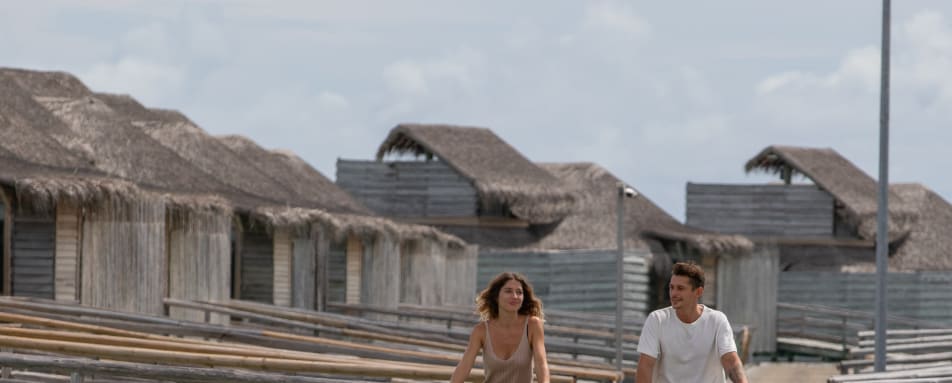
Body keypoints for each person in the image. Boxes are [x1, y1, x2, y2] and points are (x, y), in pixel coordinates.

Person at [636, 262, 748, 383]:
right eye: (671, 287)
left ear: (698, 292)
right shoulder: (657, 320)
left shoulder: (717, 320)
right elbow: (645, 365)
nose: (673, 294)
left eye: (680, 288)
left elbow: (731, 361)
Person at [451, 271, 550, 383]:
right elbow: (464, 366)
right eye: (508, 291)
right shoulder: (481, 330)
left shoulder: (533, 325)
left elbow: (541, 363)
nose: (515, 296)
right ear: (496, 297)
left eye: (519, 292)